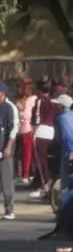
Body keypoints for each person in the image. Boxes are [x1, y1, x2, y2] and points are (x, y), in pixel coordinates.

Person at [0, 83, 16, 220]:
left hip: (4, 149)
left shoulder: (8, 108)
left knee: (6, 180)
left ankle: (9, 209)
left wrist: (8, 146)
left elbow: (13, 129)